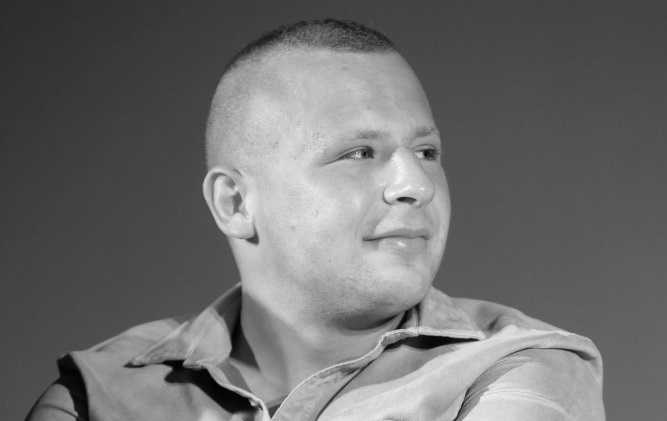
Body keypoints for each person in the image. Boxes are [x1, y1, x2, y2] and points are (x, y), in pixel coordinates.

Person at [26, 19, 605, 421]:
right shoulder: (97, 392)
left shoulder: (521, 368)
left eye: (427, 152)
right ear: (235, 203)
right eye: (360, 153)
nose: (417, 185)